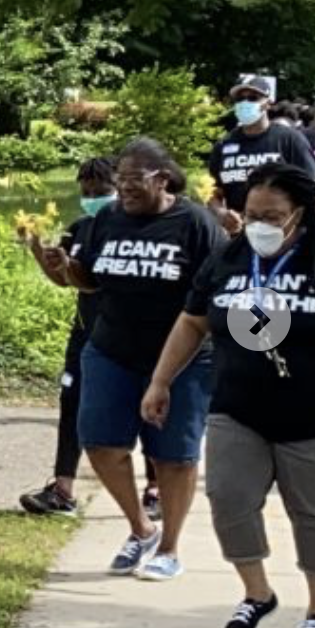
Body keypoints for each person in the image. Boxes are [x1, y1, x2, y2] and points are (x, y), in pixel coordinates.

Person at [148, 162, 315, 628]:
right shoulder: (230, 257)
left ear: (299, 214)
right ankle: (257, 593)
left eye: (272, 216)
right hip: (238, 406)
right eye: (251, 214)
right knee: (228, 498)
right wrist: (161, 381)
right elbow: (192, 321)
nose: (259, 225)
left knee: (313, 510)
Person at [43, 138, 225, 581]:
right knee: (100, 443)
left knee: (173, 457)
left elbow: (220, 289)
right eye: (119, 179)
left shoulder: (196, 224)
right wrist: (64, 267)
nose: (122, 188)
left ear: (162, 180)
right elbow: (90, 281)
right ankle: (141, 529)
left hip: (182, 359)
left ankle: (169, 548)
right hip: (111, 350)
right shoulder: (108, 219)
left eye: (132, 179)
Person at [17, 157, 162, 517]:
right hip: (87, 333)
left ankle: (155, 488)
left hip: (134, 336)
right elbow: (64, 279)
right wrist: (38, 249)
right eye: (86, 192)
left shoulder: (137, 229)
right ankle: (62, 489)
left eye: (101, 191)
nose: (92, 198)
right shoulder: (80, 228)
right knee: (73, 403)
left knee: (146, 408)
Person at [209, 75, 315, 232]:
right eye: (240, 99)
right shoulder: (224, 145)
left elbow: (312, 187)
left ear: (268, 103)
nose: (245, 103)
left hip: (282, 232)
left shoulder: (289, 139)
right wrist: (221, 213)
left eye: (253, 98)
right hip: (240, 233)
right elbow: (213, 193)